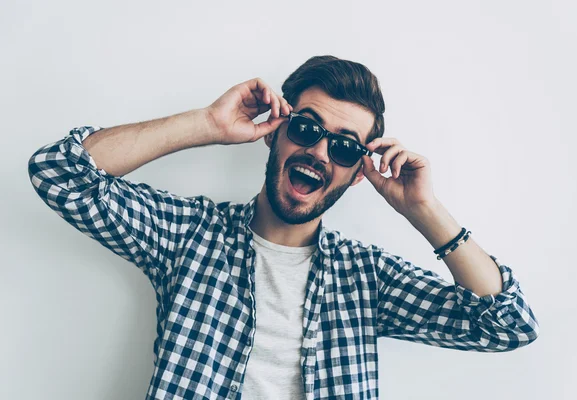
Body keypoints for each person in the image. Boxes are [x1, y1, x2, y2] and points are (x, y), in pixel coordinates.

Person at [28, 55, 539, 400]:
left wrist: (423, 210)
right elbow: (60, 173)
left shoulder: (366, 277)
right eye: (307, 129)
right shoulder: (190, 235)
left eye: (342, 147)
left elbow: (506, 325)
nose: (318, 152)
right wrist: (207, 124)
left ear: (356, 172)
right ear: (275, 134)